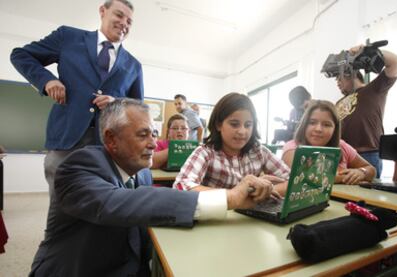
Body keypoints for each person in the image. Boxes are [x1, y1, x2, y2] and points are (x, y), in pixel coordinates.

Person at [29, 98, 274, 276]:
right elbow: (120, 203)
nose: (153, 143)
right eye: (143, 134)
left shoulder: (143, 173)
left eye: (154, 134)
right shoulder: (78, 166)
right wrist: (228, 198)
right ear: (111, 139)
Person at [10, 0, 144, 198]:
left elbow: (138, 108)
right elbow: (20, 55)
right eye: (119, 15)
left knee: (101, 203)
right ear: (102, 11)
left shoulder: (134, 65)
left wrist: (117, 103)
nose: (124, 23)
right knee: (61, 203)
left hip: (109, 146)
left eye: (130, 21)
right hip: (66, 139)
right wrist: (47, 81)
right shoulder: (68, 37)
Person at [173, 92, 291, 197]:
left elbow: (294, 180)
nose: (242, 131)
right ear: (218, 125)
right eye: (234, 124)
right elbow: (180, 187)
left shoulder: (259, 151)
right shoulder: (206, 153)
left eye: (248, 125)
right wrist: (234, 195)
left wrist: (265, 191)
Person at [335, 45, 397, 177]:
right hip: (344, 155)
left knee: (367, 196)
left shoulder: (373, 89)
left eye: (339, 78)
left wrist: (367, 51)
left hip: (368, 154)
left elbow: (396, 62)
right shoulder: (339, 102)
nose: (337, 83)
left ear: (351, 75)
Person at [282, 100, 376, 185]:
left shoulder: (342, 146)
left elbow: (371, 169)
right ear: (304, 125)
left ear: (335, 129)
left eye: (327, 125)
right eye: (312, 122)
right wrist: (348, 176)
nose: (318, 129)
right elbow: (311, 177)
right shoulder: (292, 147)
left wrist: (362, 172)